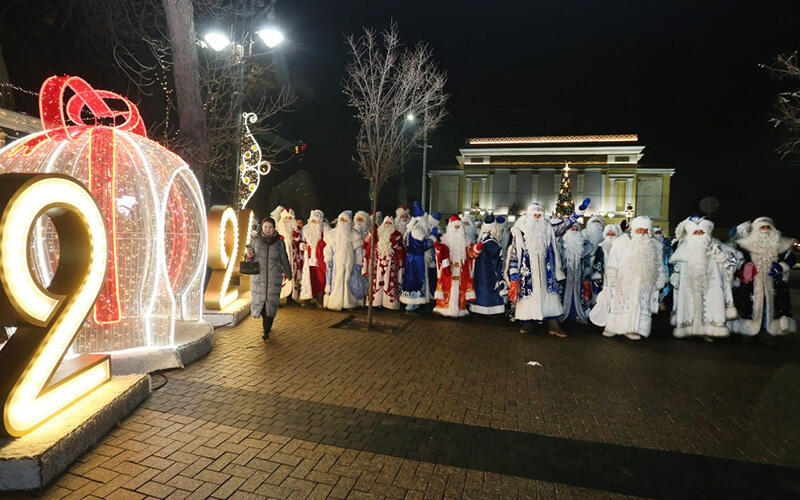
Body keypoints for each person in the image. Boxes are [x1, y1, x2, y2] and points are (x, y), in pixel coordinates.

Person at [507, 198, 590, 337]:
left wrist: (578, 212)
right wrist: (514, 271)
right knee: (527, 296)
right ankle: (526, 322)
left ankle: (553, 324)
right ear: (529, 215)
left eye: (540, 215)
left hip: (547, 271)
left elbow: (565, 225)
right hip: (527, 272)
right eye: (535, 215)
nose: (538, 217)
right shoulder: (519, 230)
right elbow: (515, 252)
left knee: (550, 296)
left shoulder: (548, 228)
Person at [591, 215, 666, 340]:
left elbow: (659, 265)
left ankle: (634, 329)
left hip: (645, 283)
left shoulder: (656, 246)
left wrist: (660, 280)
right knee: (617, 305)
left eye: (645, 230)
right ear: (634, 230)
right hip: (623, 282)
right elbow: (612, 264)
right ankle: (613, 327)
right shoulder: (620, 243)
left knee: (640, 306)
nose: (642, 233)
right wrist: (612, 280)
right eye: (639, 229)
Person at [729, 216, 797, 343]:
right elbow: (737, 259)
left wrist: (781, 267)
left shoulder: (782, 244)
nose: (765, 230)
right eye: (762, 227)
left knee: (772, 307)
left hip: (774, 283)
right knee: (749, 307)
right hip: (751, 284)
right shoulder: (744, 245)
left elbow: (791, 258)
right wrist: (744, 267)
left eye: (768, 227)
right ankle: (748, 332)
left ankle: (768, 333)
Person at [669, 217, 738, 341]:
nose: (699, 235)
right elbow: (677, 268)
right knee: (689, 304)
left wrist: (723, 259)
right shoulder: (683, 248)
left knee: (711, 304)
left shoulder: (716, 246)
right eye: (695, 232)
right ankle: (689, 328)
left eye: (701, 232)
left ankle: (708, 329)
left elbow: (733, 260)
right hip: (689, 285)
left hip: (711, 284)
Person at [248, 217, 291, 340]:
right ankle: (265, 325)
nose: (268, 229)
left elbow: (284, 259)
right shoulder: (255, 241)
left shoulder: (279, 243)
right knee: (261, 305)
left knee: (271, 305)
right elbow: (248, 259)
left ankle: (266, 329)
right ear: (262, 227)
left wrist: (288, 273)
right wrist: (249, 256)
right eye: (266, 227)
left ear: (274, 228)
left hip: (273, 278)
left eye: (270, 227)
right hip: (259, 279)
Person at [433, 216, 481, 317]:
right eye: (455, 227)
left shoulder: (466, 240)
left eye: (458, 227)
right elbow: (440, 255)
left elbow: (472, 253)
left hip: (461, 270)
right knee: (445, 287)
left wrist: (477, 248)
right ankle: (442, 308)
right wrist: (437, 249)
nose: (456, 229)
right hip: (447, 268)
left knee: (461, 289)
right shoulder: (445, 240)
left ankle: (460, 309)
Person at [323, 211, 364, 310]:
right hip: (336, 264)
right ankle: (333, 302)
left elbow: (358, 251)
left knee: (349, 282)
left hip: (351, 264)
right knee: (335, 281)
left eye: (346, 220)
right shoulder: (332, 234)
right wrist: (328, 260)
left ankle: (349, 303)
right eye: (342, 220)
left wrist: (358, 263)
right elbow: (328, 249)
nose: (344, 222)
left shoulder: (355, 235)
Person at [363, 216, 405, 309]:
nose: (388, 225)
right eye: (386, 223)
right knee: (376, 282)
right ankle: (376, 302)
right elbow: (367, 243)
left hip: (391, 264)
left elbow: (401, 250)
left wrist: (397, 249)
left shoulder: (397, 235)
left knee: (390, 282)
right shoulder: (378, 233)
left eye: (390, 223)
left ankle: (389, 304)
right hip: (378, 263)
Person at [400, 202, 436, 308]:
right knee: (417, 280)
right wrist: (433, 238)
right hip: (417, 259)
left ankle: (413, 304)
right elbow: (424, 245)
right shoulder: (417, 231)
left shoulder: (409, 230)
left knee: (411, 280)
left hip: (411, 258)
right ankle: (412, 305)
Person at [470, 215, 507, 315]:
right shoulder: (492, 242)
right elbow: (496, 257)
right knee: (489, 288)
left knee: (481, 287)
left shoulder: (481, 239)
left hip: (480, 269)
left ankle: (479, 307)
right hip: (490, 269)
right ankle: (490, 308)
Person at [558, 223, 593, 324]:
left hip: (579, 278)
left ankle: (579, 315)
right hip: (564, 278)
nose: (574, 230)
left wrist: (587, 277)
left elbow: (587, 263)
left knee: (579, 294)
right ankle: (563, 314)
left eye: (576, 228)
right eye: (572, 228)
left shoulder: (585, 247)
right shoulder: (561, 246)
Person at [299, 209, 327, 304]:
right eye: (313, 220)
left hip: (320, 258)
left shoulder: (325, 228)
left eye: (316, 221)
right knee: (309, 278)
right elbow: (301, 242)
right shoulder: (305, 229)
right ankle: (307, 297)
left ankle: (319, 297)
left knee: (320, 278)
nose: (314, 223)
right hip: (308, 258)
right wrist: (303, 246)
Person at [589, 224, 621, 304]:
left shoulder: (620, 247)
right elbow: (596, 263)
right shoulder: (600, 247)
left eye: (613, 234)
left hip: (617, 276)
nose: (610, 236)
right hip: (603, 277)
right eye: (608, 234)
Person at [276, 208, 303, 301]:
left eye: (290, 218)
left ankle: (292, 295)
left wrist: (296, 229)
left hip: (293, 253)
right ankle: (282, 297)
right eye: (286, 218)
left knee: (293, 273)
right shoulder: (278, 229)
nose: (288, 220)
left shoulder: (295, 229)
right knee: (283, 274)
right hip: (282, 254)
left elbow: (298, 239)